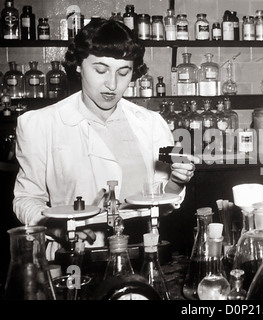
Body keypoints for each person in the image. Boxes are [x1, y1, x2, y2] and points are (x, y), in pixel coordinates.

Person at [12, 18, 197, 259]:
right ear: (79, 65)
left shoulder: (151, 123)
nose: (112, 84)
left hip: (142, 251)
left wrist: (177, 181)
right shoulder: (39, 124)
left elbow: (162, 203)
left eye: (124, 72)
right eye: (100, 70)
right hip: (74, 255)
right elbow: (26, 199)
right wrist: (57, 227)